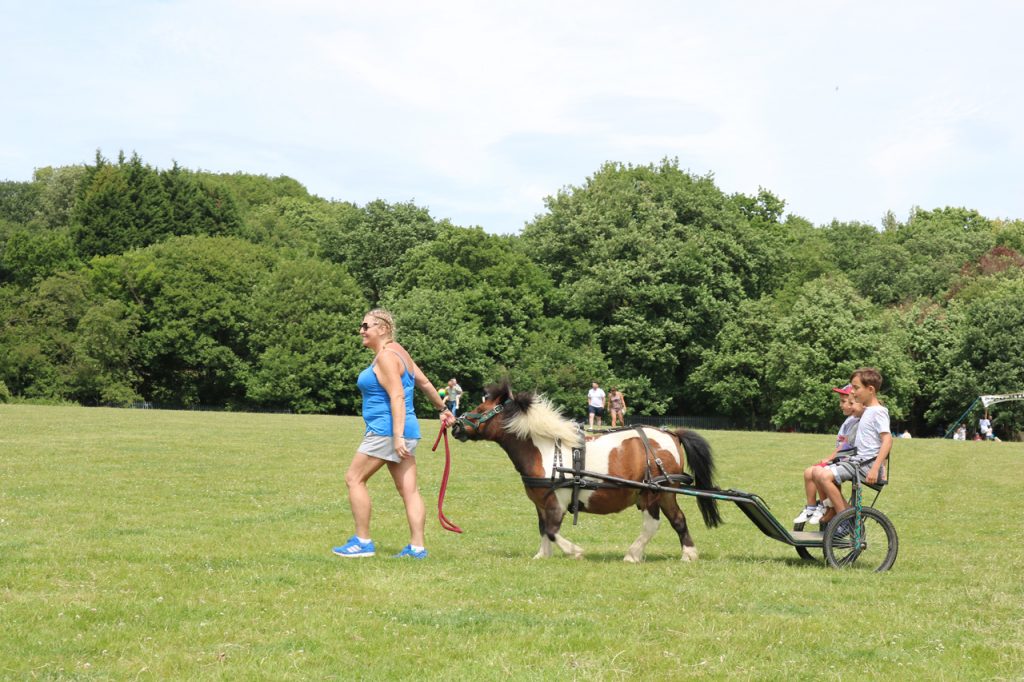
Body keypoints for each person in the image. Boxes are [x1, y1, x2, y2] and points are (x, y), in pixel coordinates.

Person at [334, 309, 455, 559]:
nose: (361, 331)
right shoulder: (400, 352)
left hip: (387, 432)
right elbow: (424, 383)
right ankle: (417, 548)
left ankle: (362, 542)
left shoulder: (387, 357)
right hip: (405, 431)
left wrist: (397, 436)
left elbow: (397, 395)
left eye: (365, 326)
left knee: (354, 478)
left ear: (383, 328)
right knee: (409, 490)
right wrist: (442, 409)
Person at [811, 368, 892, 531]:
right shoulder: (867, 411)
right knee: (819, 473)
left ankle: (845, 519)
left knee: (825, 476)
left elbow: (888, 440)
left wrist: (875, 469)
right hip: (856, 462)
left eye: (856, 388)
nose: (852, 392)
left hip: (866, 465)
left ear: (870, 390)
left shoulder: (879, 412)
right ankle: (841, 511)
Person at [794, 384, 861, 525]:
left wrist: (829, 459)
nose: (841, 405)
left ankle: (832, 509)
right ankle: (813, 508)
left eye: (844, 401)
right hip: (842, 458)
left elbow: (845, 446)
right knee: (809, 472)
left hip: (847, 459)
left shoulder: (858, 422)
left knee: (820, 472)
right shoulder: (850, 420)